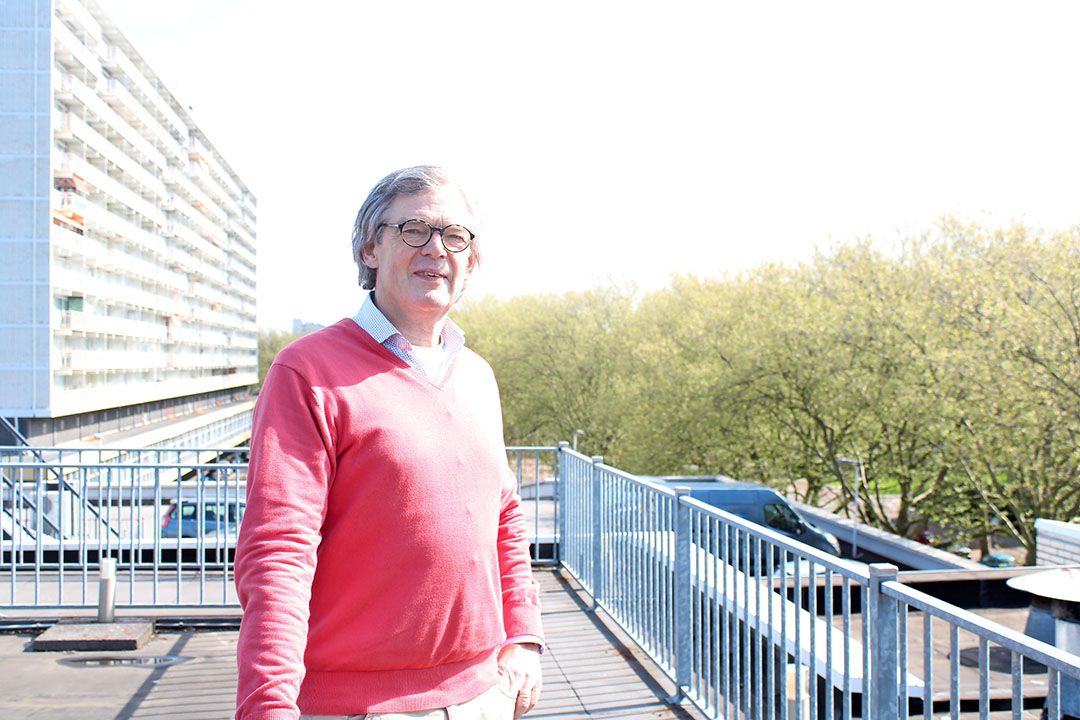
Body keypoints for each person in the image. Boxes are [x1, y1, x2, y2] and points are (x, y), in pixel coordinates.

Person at [234, 166, 544, 720]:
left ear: (470, 262)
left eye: (455, 237)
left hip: (485, 694)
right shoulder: (307, 372)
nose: (436, 249)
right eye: (415, 229)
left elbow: (505, 516)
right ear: (370, 247)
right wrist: (267, 706)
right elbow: (278, 551)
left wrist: (522, 635)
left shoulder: (477, 375)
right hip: (358, 707)